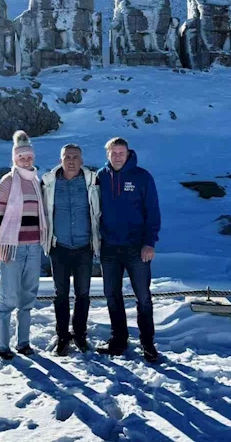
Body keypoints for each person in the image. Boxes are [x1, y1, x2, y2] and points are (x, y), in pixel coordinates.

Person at [95, 137, 161, 362]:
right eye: (113, 153)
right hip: (109, 248)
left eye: (121, 153)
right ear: (107, 154)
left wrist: (149, 242)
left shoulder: (142, 177)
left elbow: (152, 211)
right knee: (112, 295)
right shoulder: (100, 177)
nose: (117, 157)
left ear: (128, 153)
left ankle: (148, 343)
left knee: (143, 296)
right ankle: (118, 340)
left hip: (137, 248)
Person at [0, 130, 49, 360]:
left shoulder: (36, 181)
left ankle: (24, 342)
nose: (26, 160)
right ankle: (0, 344)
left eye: (29, 156)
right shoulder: (8, 181)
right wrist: (0, 242)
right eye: (21, 157)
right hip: (11, 247)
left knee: (28, 297)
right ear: (14, 158)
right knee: (8, 297)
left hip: (33, 247)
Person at [41, 144, 100, 356]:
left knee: (83, 293)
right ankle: (63, 335)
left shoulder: (92, 181)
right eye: (67, 157)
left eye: (76, 157)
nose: (72, 161)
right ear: (61, 160)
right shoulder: (48, 182)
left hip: (84, 246)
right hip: (60, 247)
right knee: (61, 294)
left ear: (82, 160)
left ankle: (80, 334)